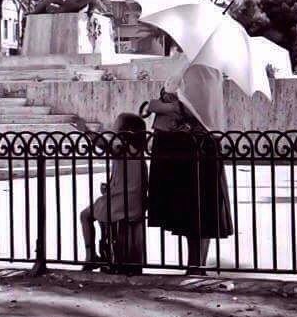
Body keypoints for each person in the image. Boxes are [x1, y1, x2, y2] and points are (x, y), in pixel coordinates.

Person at [146, 64, 233, 274]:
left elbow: (187, 108)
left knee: (193, 210)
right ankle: (197, 265)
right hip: (199, 144)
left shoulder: (196, 69)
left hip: (187, 146)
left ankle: (195, 266)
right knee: (202, 209)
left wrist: (158, 105)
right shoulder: (209, 69)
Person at [80, 113, 148, 271]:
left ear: (125, 130)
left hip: (120, 203)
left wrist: (86, 131)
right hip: (135, 203)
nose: (114, 125)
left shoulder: (122, 148)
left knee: (85, 215)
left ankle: (90, 255)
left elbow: (103, 144)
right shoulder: (138, 152)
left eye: (117, 123)